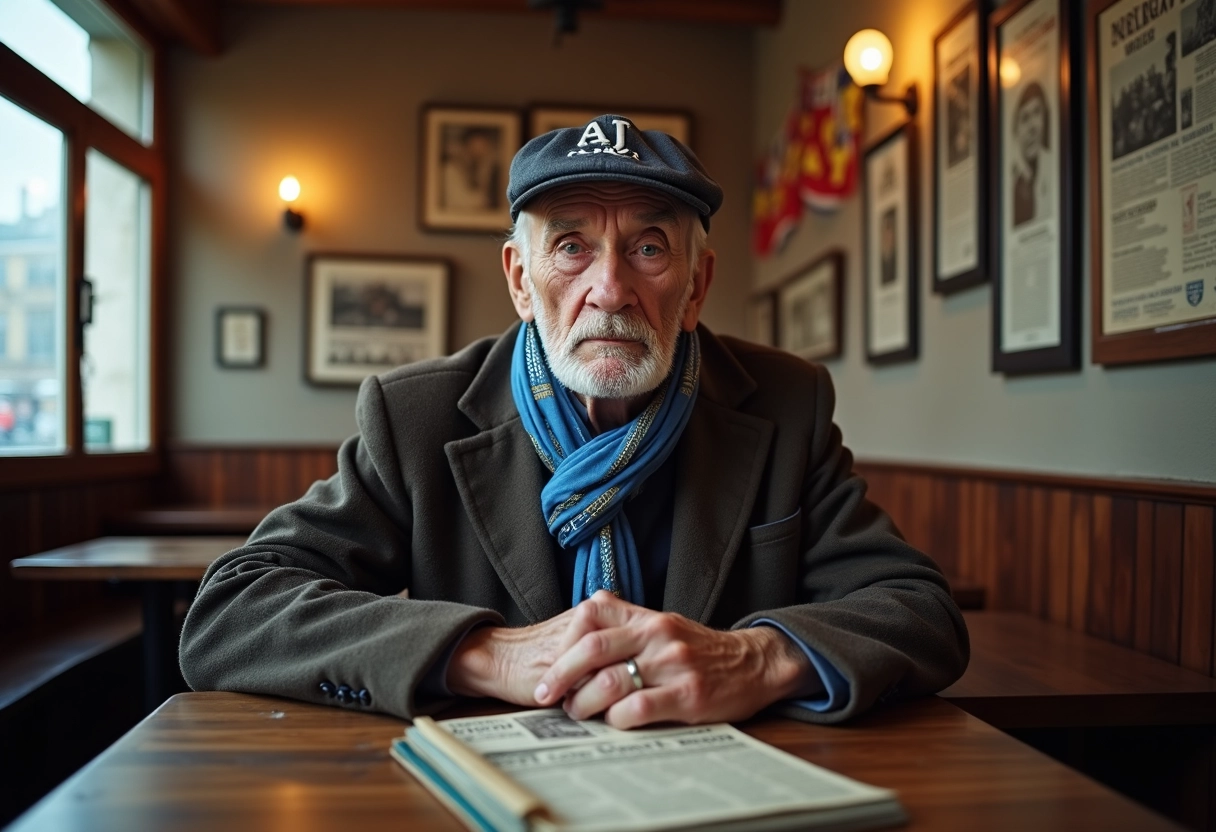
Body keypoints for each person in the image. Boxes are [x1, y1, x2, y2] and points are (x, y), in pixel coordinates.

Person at [180, 115, 968, 729]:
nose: (611, 289)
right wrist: (486, 654)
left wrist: (754, 659)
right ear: (521, 280)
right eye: (571, 247)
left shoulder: (786, 404)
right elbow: (232, 611)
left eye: (650, 248)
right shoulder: (414, 416)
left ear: (696, 287)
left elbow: (918, 608)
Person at [1011, 81, 1052, 228]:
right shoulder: (1011, 181)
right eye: (1025, 118)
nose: (1032, 127)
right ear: (1016, 129)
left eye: (1037, 113)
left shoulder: (1054, 169)